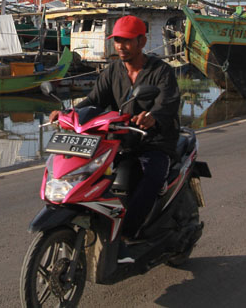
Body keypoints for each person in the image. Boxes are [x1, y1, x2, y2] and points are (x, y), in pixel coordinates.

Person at [49, 15, 181, 258]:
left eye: (127, 41)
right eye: (117, 40)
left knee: (151, 179)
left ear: (141, 42)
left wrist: (152, 116)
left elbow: (168, 102)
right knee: (93, 175)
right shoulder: (113, 72)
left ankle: (127, 235)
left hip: (155, 142)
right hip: (121, 140)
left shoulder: (161, 71)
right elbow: (94, 101)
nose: (120, 46)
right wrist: (69, 112)